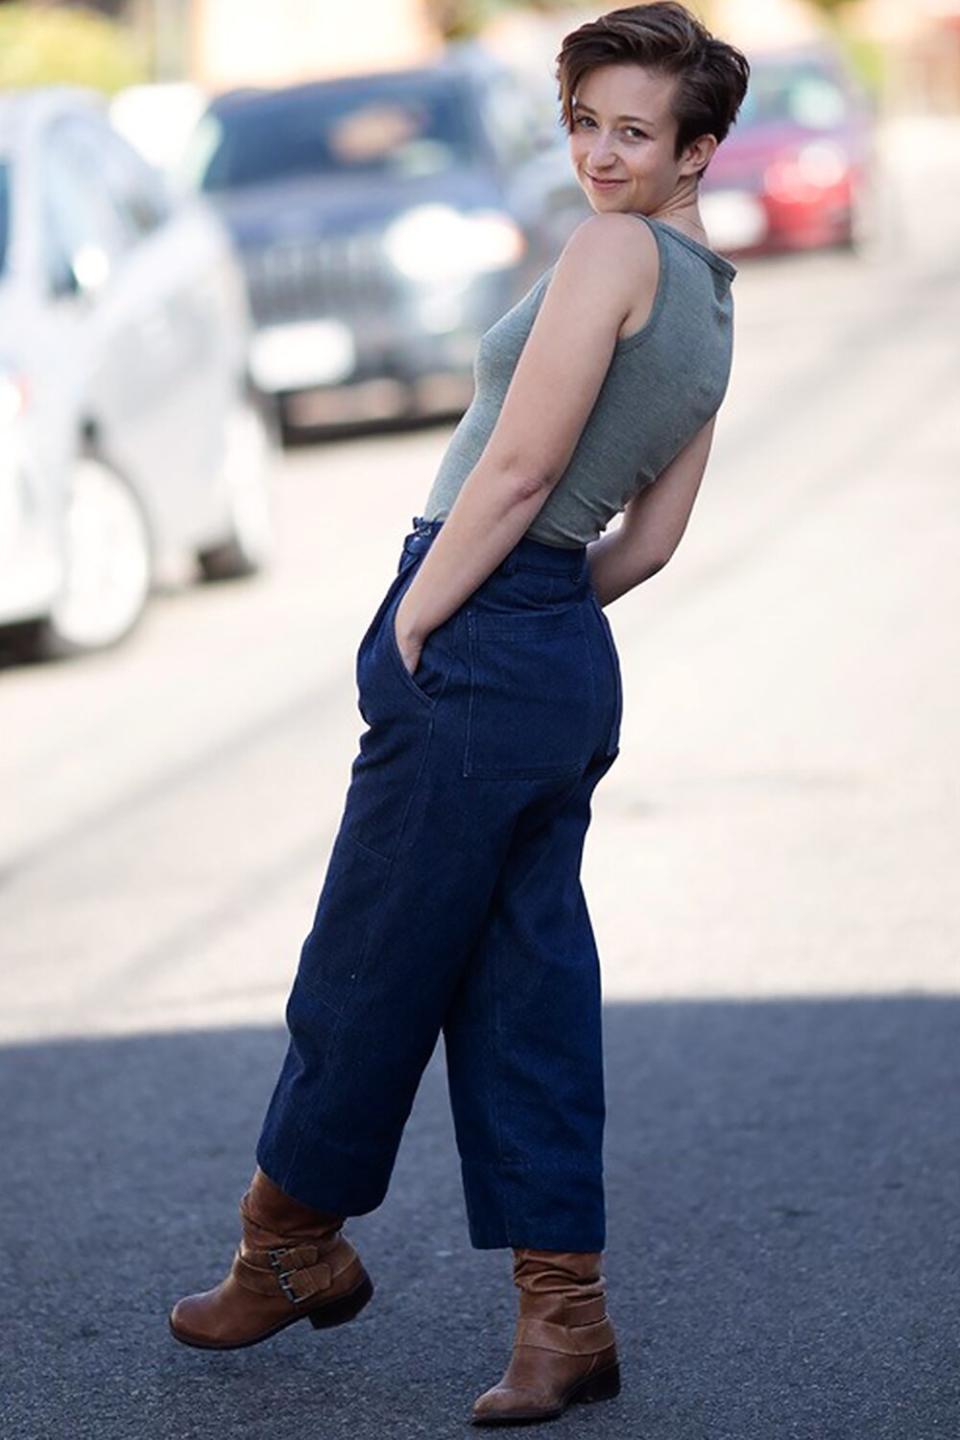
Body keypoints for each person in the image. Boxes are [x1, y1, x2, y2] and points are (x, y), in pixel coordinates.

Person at [168, 2, 750, 1426]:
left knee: (369, 958)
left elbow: (517, 466)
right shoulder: (718, 298)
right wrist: (551, 620)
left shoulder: (608, 253)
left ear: (698, 147)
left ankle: (288, 1239)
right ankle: (568, 1323)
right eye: (587, 122)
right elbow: (656, 536)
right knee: (524, 986)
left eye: (634, 131)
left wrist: (425, 616)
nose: (601, 156)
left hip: (480, 617)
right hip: (558, 645)